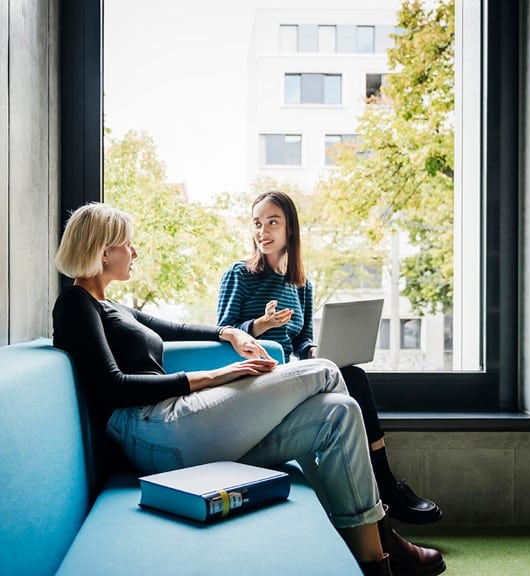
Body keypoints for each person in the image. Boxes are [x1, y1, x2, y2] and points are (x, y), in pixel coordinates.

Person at [52, 202, 445, 576]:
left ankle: (376, 558)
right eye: (127, 244)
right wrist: (219, 375)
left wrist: (232, 334)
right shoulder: (75, 303)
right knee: (325, 370)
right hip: (153, 431)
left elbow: (178, 329)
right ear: (104, 253)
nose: (134, 252)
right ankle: (385, 527)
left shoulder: (113, 305)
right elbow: (112, 388)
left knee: (339, 413)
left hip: (178, 428)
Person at [217, 190, 443, 527]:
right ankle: (386, 488)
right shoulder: (240, 274)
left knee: (352, 374)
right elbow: (221, 331)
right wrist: (260, 325)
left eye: (272, 223)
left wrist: (315, 354)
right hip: (253, 380)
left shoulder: (301, 285)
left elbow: (302, 340)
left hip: (287, 376)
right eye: (257, 224)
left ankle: (382, 488)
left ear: (289, 229)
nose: (262, 231)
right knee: (351, 382)